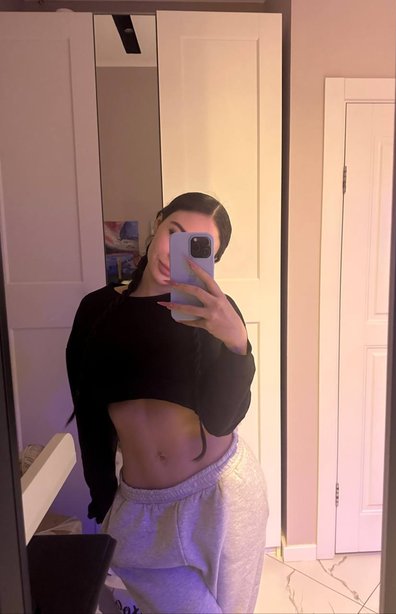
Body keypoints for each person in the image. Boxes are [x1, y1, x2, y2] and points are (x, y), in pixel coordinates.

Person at [66, 192, 268, 614]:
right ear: (157, 224)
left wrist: (238, 344)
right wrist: (102, 496)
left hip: (222, 497)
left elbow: (222, 419)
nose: (174, 252)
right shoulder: (96, 311)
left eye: (199, 247)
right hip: (141, 511)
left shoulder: (214, 315)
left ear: (212, 259)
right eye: (174, 233)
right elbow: (89, 416)